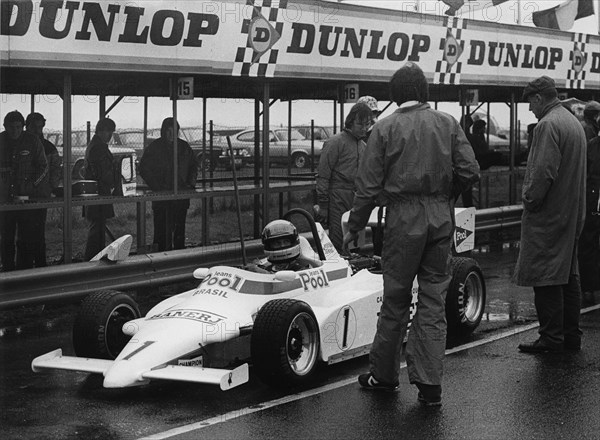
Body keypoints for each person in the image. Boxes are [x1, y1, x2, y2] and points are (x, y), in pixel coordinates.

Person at [342, 62, 479, 405]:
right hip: (440, 217)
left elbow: (368, 186)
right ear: (423, 92)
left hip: (403, 220)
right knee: (433, 300)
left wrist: (354, 226)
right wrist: (446, 197)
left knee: (396, 300)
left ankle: (384, 376)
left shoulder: (384, 129)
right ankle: (430, 385)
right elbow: (470, 169)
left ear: (395, 94)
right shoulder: (447, 123)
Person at [513, 76, 586, 354]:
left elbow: (542, 173)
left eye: (530, 102)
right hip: (571, 213)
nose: (530, 109)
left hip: (550, 215)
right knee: (568, 274)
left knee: (546, 276)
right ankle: (570, 335)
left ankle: (551, 337)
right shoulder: (572, 122)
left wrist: (529, 199)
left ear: (538, 98)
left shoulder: (547, 125)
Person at [315, 102, 373, 252]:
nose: (364, 128)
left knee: (355, 242)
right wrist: (323, 204)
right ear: (351, 122)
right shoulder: (335, 142)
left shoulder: (364, 147)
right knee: (338, 238)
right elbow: (323, 175)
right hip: (337, 196)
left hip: (356, 198)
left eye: (367, 124)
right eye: (360, 124)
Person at [139, 117, 198, 252]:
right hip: (162, 198)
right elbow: (144, 168)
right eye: (168, 131)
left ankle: (178, 256)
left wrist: (190, 184)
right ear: (163, 131)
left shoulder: (184, 147)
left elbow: (194, 166)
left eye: (174, 131)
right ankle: (161, 258)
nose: (171, 134)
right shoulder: (154, 148)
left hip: (181, 196)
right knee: (161, 231)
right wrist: (157, 187)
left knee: (179, 229)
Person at [0, 111, 48, 271]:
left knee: (25, 237)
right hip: (3, 198)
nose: (15, 131)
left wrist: (31, 186)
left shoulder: (32, 141)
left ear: (23, 127)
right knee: (6, 236)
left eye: (18, 127)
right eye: (11, 127)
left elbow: (43, 166)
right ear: (4, 126)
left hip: (24, 196)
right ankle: (7, 270)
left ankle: (24, 272)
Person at [25, 112, 62, 267]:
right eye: (34, 127)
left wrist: (50, 187)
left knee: (38, 232)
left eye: (39, 127)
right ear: (28, 126)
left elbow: (55, 169)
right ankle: (24, 266)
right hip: (24, 194)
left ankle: (39, 265)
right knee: (23, 233)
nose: (37, 130)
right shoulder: (21, 145)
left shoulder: (48, 147)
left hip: (40, 194)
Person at [83, 118, 117, 260]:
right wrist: (115, 181)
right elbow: (104, 173)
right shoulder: (99, 148)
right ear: (100, 131)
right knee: (96, 230)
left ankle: (94, 260)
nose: (110, 135)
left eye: (111, 132)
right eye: (107, 131)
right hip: (99, 193)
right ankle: (91, 262)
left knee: (97, 229)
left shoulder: (96, 145)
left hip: (95, 193)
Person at [578, 121, 600, 305]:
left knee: (588, 244)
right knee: (589, 244)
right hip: (593, 201)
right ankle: (590, 286)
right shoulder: (591, 146)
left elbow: (583, 175)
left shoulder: (590, 146)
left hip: (592, 201)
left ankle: (589, 287)